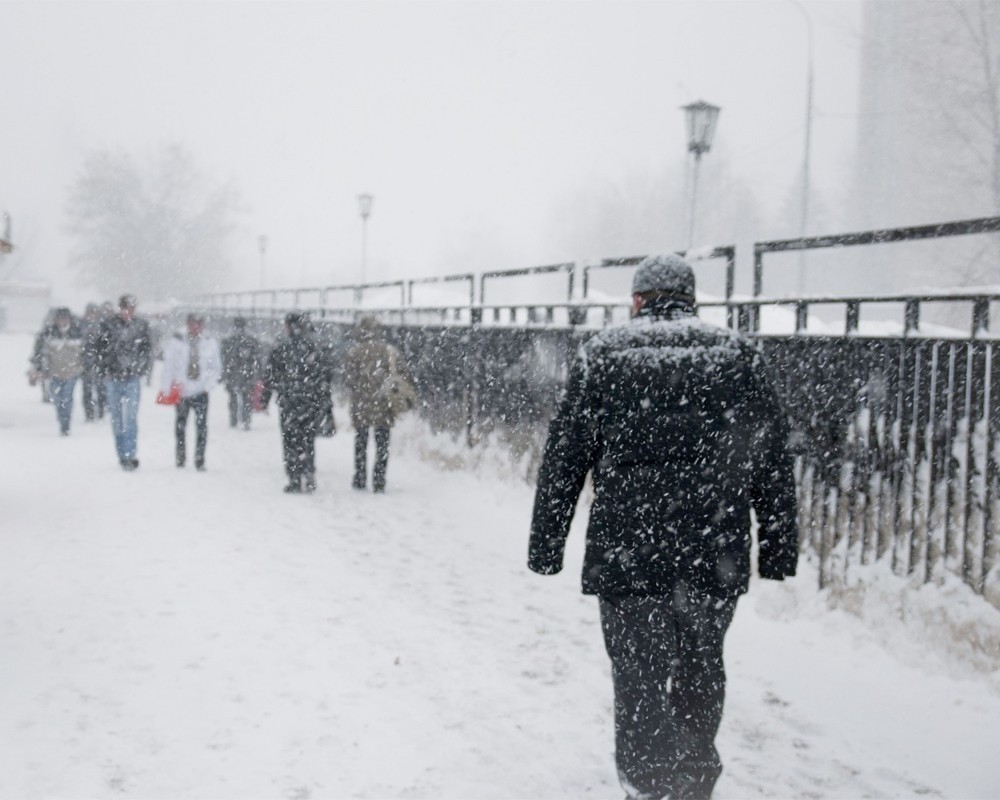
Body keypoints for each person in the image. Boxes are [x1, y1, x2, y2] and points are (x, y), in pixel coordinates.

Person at [527, 254, 799, 800]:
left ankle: (648, 785)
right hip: (711, 548)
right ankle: (694, 780)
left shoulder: (602, 356)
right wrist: (777, 546)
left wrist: (547, 544)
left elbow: (565, 456)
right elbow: (771, 457)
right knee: (701, 668)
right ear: (692, 299)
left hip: (629, 551)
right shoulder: (738, 356)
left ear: (637, 301)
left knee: (638, 677)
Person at [342, 315, 413, 493]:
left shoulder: (354, 352)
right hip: (384, 404)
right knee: (382, 442)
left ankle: (360, 477)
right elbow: (403, 374)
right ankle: (379, 479)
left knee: (361, 440)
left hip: (361, 405)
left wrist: (361, 386)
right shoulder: (390, 351)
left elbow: (346, 379)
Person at [263, 312, 332, 494]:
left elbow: (270, 376)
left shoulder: (281, 348)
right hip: (310, 401)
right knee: (308, 438)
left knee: (290, 440)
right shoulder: (314, 347)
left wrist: (266, 399)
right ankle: (308, 472)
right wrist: (323, 399)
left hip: (289, 401)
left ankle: (294, 478)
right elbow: (326, 374)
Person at [93, 294, 153, 471]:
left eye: (132, 308)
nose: (129, 312)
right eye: (126, 308)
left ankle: (130, 453)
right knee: (118, 419)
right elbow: (99, 349)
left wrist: (141, 369)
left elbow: (147, 350)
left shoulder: (141, 326)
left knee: (131, 418)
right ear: (121, 308)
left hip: (132, 377)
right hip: (113, 377)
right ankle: (122, 453)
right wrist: (104, 370)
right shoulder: (108, 325)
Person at [159, 313, 222, 470]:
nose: (195, 327)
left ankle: (199, 459)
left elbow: (216, 368)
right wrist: (166, 387)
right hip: (182, 390)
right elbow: (169, 365)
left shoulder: (209, 343)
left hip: (201, 390)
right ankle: (180, 457)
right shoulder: (177, 342)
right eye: (192, 324)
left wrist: (208, 385)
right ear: (188, 325)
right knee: (180, 425)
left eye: (198, 324)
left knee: (201, 426)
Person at [38, 307, 84, 435]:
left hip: (72, 372)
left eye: (64, 319)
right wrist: (41, 369)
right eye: (60, 319)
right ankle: (61, 416)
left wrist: (83, 367)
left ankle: (65, 423)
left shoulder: (77, 332)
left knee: (67, 398)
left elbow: (85, 352)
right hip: (55, 372)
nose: (62, 321)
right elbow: (41, 352)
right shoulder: (49, 333)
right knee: (57, 398)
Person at [221, 316, 262, 430]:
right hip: (245, 372)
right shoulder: (250, 339)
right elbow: (256, 357)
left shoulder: (229, 340)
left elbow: (224, 357)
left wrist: (225, 371)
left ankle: (235, 419)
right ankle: (245, 419)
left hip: (235, 371)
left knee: (235, 396)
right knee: (245, 397)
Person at [80, 302, 107, 421]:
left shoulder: (102, 326)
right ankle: (89, 412)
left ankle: (100, 409)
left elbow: (105, 345)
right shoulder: (80, 326)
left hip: (99, 363)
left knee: (100, 389)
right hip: (85, 363)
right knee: (87, 390)